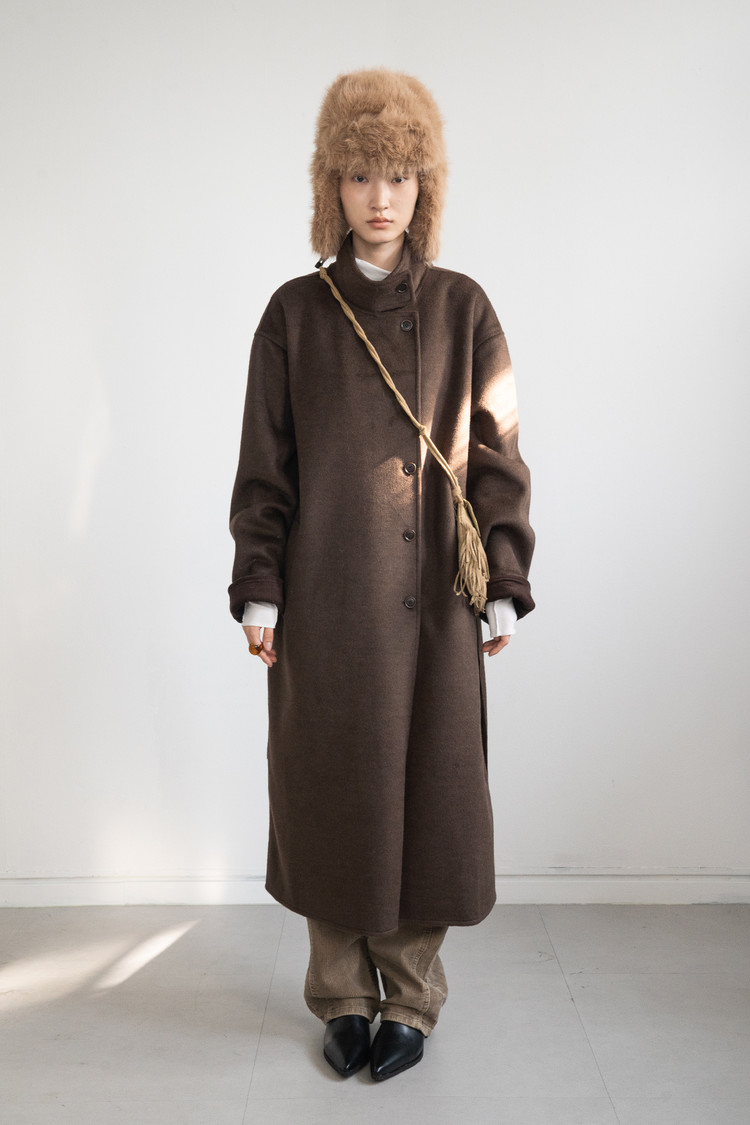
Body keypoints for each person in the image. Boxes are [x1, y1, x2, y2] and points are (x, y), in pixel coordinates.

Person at [228, 68, 535, 1082]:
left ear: (424, 185)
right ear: (333, 184)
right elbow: (265, 468)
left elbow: (496, 455)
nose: (380, 197)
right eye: (360, 174)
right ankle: (341, 994)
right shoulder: (293, 314)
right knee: (330, 786)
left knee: (430, 795)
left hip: (437, 602)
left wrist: (503, 578)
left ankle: (409, 994)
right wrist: (261, 586)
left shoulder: (463, 308)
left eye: (399, 175)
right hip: (326, 600)